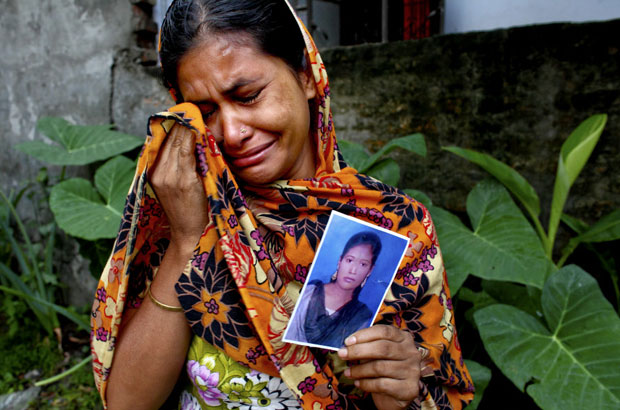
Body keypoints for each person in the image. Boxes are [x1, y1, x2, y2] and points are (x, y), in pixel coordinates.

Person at [90, 0, 474, 409]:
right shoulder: (185, 207)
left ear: (306, 76)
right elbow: (127, 404)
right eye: (205, 113)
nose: (232, 132)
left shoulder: (395, 225)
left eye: (250, 95)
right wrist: (186, 242)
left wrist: (399, 388)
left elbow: (438, 395)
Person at [286, 231, 381, 348]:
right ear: (340, 261)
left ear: (370, 270)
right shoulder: (309, 292)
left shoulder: (361, 316)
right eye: (349, 260)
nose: (353, 270)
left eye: (363, 264)